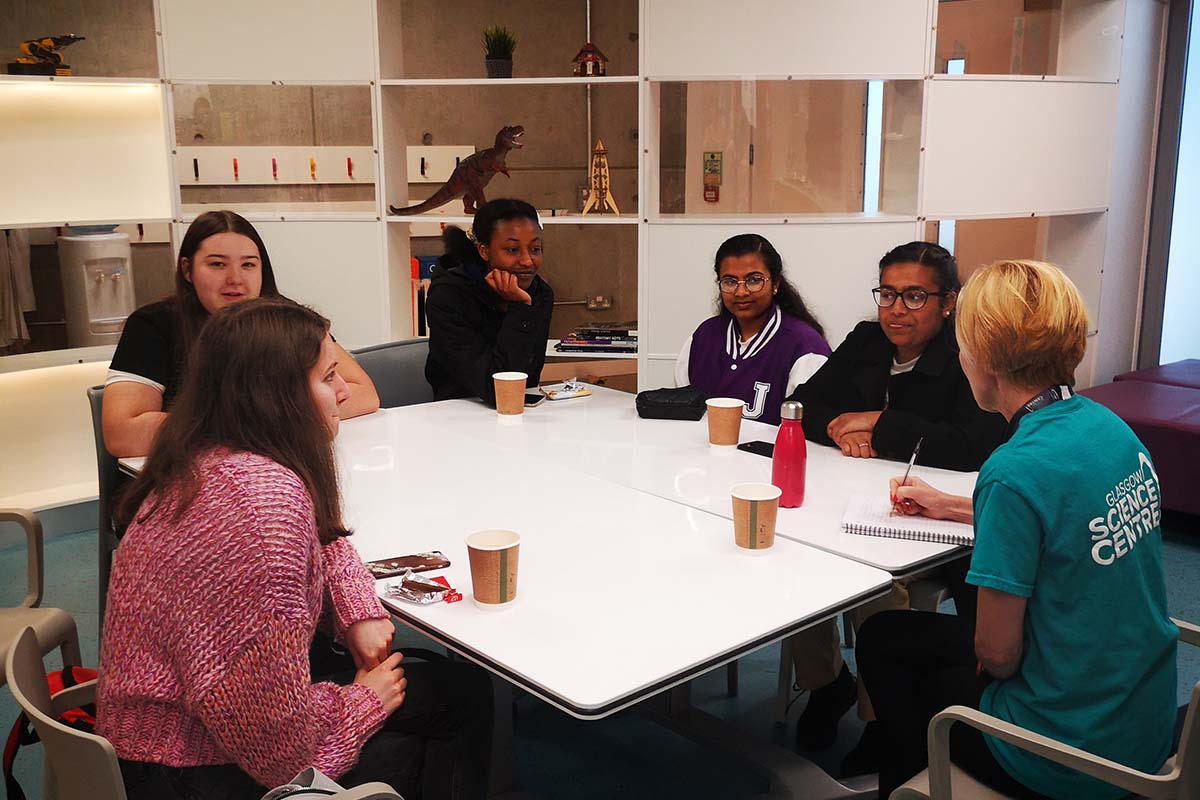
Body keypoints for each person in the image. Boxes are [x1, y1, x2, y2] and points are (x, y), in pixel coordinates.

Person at [97, 299, 493, 800]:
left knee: (451, 687)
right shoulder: (263, 509)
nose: (345, 392)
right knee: (458, 701)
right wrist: (362, 705)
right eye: (329, 378)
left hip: (158, 733)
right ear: (276, 395)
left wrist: (357, 610)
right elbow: (283, 761)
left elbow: (325, 537)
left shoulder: (210, 456)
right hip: (187, 769)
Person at [857, 260, 1178, 799]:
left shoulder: (1012, 470)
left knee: (886, 640)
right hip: (1143, 717)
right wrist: (953, 505)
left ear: (981, 359)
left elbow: (999, 655)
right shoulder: (1109, 429)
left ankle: (917, 783)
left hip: (1066, 753)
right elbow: (1065, 519)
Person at [785, 242, 1006, 761]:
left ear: (948, 302)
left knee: (874, 583)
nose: (896, 309)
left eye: (913, 296)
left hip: (930, 520)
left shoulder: (963, 356)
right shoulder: (867, 340)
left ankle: (878, 718)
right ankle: (825, 683)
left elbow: (972, 444)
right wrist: (847, 431)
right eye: (887, 294)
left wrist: (880, 424)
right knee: (793, 552)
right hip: (851, 497)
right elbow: (804, 406)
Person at [102, 210, 379, 457]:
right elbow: (122, 433)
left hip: (278, 467)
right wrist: (259, 420)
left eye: (248, 265)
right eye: (217, 265)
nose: (235, 279)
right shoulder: (152, 325)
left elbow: (363, 394)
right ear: (187, 269)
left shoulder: (287, 321)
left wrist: (255, 421)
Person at [674, 233, 830, 425]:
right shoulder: (703, 336)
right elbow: (682, 414)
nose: (741, 292)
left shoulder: (805, 346)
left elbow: (809, 430)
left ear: (775, 284)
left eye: (754, 280)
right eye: (730, 281)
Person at [425, 198, 554, 404]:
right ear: (484, 250)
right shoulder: (448, 297)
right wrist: (520, 309)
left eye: (535, 249)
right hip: (456, 416)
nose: (527, 261)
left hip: (517, 416)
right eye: (512, 250)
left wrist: (522, 306)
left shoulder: (539, 293)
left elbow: (528, 378)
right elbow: (497, 389)